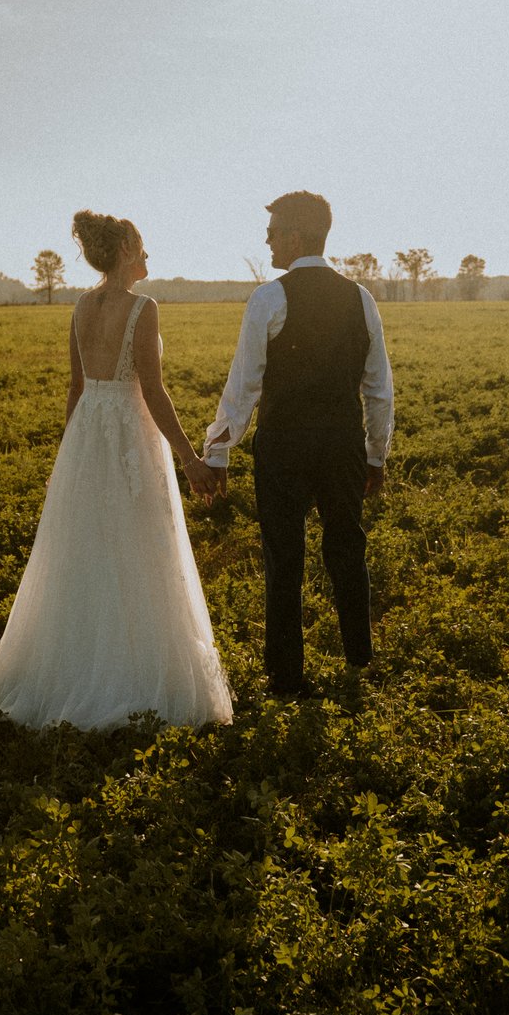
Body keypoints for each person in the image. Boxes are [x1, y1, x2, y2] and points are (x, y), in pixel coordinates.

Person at [0, 211, 235, 729]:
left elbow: (76, 389)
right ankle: (127, 678)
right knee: (139, 547)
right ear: (123, 253)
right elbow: (153, 391)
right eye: (141, 248)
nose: (147, 257)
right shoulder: (143, 308)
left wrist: (68, 453)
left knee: (87, 549)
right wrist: (190, 460)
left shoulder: (80, 307)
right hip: (128, 437)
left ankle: (71, 668)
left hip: (88, 434)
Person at [192, 191, 394, 699]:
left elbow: (243, 387)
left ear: (295, 236)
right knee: (348, 548)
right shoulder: (360, 298)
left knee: (284, 560)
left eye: (273, 230)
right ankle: (359, 663)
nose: (266, 239)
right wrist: (375, 455)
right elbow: (379, 387)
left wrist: (218, 453)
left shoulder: (268, 298)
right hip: (345, 447)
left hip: (282, 448)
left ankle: (286, 680)